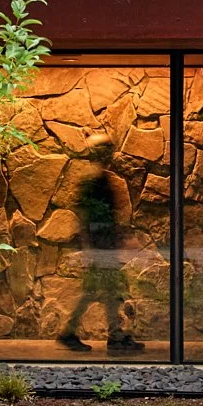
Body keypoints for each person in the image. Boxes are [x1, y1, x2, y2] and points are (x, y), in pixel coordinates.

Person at [58, 142, 142, 352]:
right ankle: (75, 333)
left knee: (105, 291)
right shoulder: (96, 182)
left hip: (102, 246)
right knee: (101, 291)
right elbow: (93, 218)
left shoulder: (96, 180)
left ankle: (113, 335)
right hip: (102, 247)